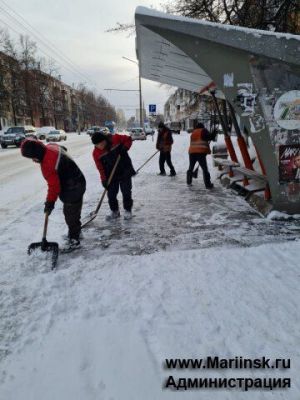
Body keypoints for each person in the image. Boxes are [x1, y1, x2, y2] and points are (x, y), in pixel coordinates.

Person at [21, 139, 86, 250]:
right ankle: (76, 232)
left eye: (32, 157)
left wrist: (50, 203)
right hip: (79, 180)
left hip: (72, 188)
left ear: (36, 154)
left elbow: (54, 187)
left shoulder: (47, 165)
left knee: (70, 215)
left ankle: (74, 240)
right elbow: (64, 148)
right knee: (74, 212)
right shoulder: (51, 146)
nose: (33, 160)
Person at [92, 131, 135, 220]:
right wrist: (104, 180)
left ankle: (128, 210)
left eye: (102, 143)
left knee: (126, 191)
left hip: (124, 169)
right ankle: (115, 211)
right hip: (111, 174)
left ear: (105, 140)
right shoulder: (96, 153)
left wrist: (125, 147)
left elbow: (129, 139)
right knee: (111, 194)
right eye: (98, 145)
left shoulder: (115, 138)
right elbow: (100, 168)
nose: (101, 146)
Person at [187, 122, 216, 188]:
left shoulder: (193, 132)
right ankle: (208, 185)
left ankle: (189, 181)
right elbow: (208, 137)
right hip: (200, 153)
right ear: (202, 127)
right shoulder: (203, 130)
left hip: (192, 152)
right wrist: (213, 134)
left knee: (191, 167)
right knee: (205, 169)